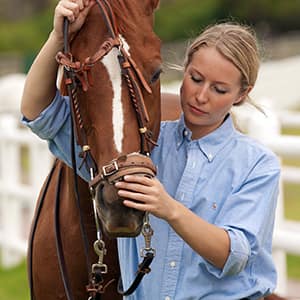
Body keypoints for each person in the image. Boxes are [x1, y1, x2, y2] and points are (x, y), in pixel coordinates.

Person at [21, 0, 281, 299]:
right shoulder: (144, 151)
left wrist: (169, 209)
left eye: (219, 89)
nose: (201, 95)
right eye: (195, 79)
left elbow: (235, 255)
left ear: (241, 94)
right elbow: (40, 114)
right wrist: (57, 37)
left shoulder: (257, 164)